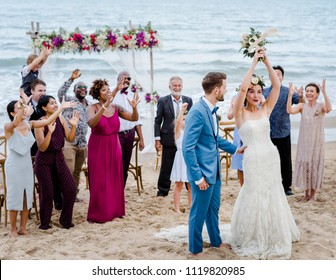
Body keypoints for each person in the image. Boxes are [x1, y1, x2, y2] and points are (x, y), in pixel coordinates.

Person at [231, 49, 300, 259]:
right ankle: (252, 234)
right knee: (253, 192)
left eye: (259, 91)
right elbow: (242, 88)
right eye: (252, 91)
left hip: (270, 156)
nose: (255, 94)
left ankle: (273, 232)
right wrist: (253, 63)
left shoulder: (266, 109)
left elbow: (277, 86)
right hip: (252, 159)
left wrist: (266, 61)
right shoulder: (239, 114)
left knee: (272, 192)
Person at [182, 72, 245, 255]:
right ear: (216, 89)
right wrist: (198, 176)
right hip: (203, 174)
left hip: (215, 171)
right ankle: (194, 248)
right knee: (198, 213)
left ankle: (216, 241)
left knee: (213, 210)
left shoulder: (211, 109)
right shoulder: (197, 111)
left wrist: (235, 149)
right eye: (224, 87)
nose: (226, 90)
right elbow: (188, 148)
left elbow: (214, 138)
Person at [4, 91, 76, 236]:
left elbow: (49, 121)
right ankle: (13, 229)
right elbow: (17, 122)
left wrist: (61, 109)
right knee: (15, 196)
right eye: (20, 108)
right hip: (15, 166)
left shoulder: (30, 124)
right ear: (13, 113)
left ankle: (23, 227)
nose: (24, 110)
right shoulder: (8, 127)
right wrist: (24, 102)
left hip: (27, 165)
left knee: (26, 195)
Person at [87, 78, 139, 223]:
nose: (108, 92)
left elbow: (134, 118)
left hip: (114, 145)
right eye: (104, 90)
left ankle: (115, 211)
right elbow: (92, 123)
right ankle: (98, 213)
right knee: (99, 181)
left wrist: (134, 107)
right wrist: (104, 107)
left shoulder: (116, 108)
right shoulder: (93, 108)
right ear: (98, 94)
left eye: (108, 89)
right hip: (98, 147)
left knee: (115, 177)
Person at [34, 95, 79, 230]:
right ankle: (45, 224)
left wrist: (74, 126)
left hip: (59, 159)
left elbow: (70, 138)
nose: (55, 105)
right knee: (47, 193)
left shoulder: (60, 118)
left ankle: (65, 221)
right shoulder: (39, 123)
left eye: (56, 103)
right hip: (44, 162)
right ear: (44, 107)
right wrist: (50, 132)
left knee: (71, 190)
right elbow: (42, 147)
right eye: (52, 103)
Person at [287, 80, 332, 201]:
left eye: (312, 91)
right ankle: (306, 194)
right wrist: (290, 95)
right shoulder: (302, 106)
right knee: (306, 165)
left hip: (316, 142)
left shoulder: (320, 106)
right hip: (304, 142)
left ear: (317, 94)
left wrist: (324, 92)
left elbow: (328, 109)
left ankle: (313, 195)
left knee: (314, 165)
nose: (309, 93)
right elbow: (289, 111)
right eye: (307, 91)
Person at [263, 65, 305, 196]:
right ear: (270, 76)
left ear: (282, 77)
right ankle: (269, 185)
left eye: (278, 74)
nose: (276, 76)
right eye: (273, 74)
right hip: (267, 131)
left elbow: (300, 103)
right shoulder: (264, 92)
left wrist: (301, 96)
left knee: (285, 160)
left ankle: (286, 186)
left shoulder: (288, 91)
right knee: (268, 160)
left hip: (284, 130)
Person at [154, 76, 193, 197]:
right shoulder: (163, 101)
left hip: (183, 138)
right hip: (168, 137)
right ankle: (162, 190)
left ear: (182, 86)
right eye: (174, 85)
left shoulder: (188, 100)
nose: (177, 88)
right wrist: (157, 139)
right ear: (169, 87)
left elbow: (192, 120)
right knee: (166, 165)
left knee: (186, 163)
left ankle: (188, 187)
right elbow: (157, 121)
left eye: (179, 85)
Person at [58, 69, 89, 201]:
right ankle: (64, 195)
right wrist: (71, 79)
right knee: (68, 171)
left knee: (77, 171)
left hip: (82, 144)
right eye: (79, 87)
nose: (82, 89)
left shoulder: (89, 105)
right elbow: (60, 93)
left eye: (84, 87)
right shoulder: (69, 100)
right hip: (69, 142)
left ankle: (73, 195)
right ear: (74, 90)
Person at [112, 71, 145, 188]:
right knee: (115, 164)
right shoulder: (112, 94)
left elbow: (137, 119)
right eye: (123, 78)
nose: (126, 80)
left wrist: (141, 138)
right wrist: (116, 89)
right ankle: (113, 191)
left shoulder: (132, 95)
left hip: (130, 133)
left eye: (128, 78)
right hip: (116, 134)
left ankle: (121, 191)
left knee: (125, 164)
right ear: (118, 79)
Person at [170, 103, 191, 213]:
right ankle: (177, 208)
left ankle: (191, 206)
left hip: (190, 158)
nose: (185, 122)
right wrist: (181, 112)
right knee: (179, 184)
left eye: (186, 120)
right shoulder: (178, 131)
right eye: (183, 119)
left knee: (191, 185)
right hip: (180, 158)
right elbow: (178, 122)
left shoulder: (190, 132)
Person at [227, 94, 244, 186]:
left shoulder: (256, 95)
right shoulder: (236, 97)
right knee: (240, 161)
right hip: (239, 130)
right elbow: (229, 116)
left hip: (251, 128)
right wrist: (235, 107)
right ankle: (242, 187)